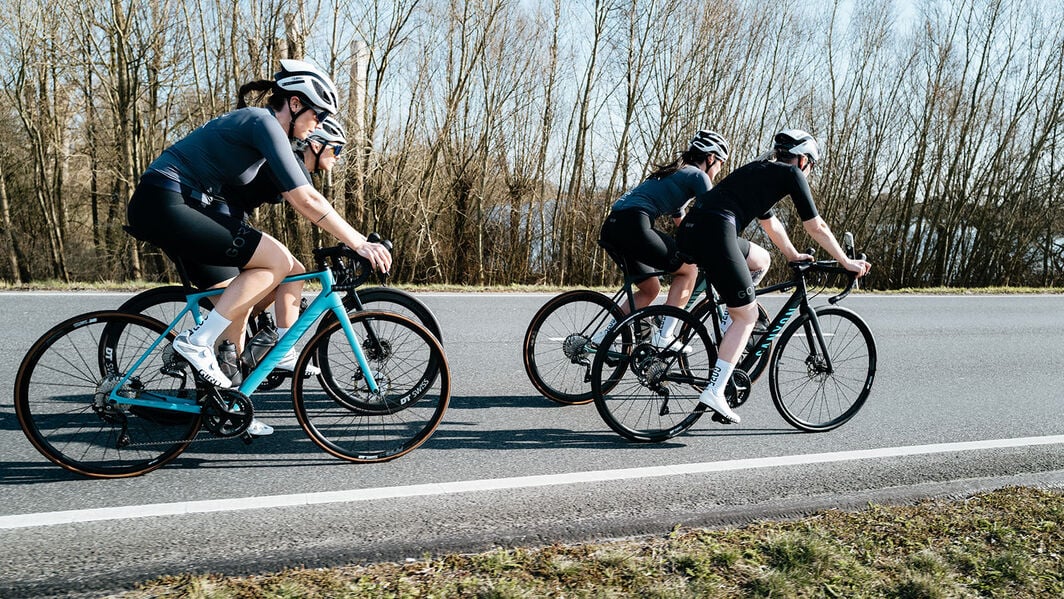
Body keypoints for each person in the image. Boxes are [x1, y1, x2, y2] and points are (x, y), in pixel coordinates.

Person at [127, 59, 390, 436]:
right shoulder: (263, 122)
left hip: (182, 203)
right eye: (318, 115)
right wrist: (359, 242)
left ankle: (232, 408)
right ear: (295, 104)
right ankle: (198, 341)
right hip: (166, 199)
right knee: (279, 262)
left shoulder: (268, 131)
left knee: (238, 306)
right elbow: (308, 200)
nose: (317, 125)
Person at [676, 129, 871, 424]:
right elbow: (816, 226)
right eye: (811, 165)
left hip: (690, 232)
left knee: (747, 283)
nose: (809, 171)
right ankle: (715, 390)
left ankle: (727, 335)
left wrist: (792, 255)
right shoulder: (792, 176)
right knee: (747, 316)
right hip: (717, 232)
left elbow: (771, 225)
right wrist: (846, 262)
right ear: (803, 160)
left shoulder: (757, 170)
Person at [595, 130, 729, 349]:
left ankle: (605, 337)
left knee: (650, 289)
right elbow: (712, 216)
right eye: (721, 164)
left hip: (612, 226)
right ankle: (664, 335)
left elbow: (683, 225)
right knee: (688, 270)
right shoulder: (698, 176)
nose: (718, 170)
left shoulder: (673, 174)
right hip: (634, 224)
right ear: (711, 158)